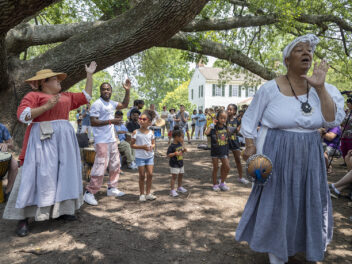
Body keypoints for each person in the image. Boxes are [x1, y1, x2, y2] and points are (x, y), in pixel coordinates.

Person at [235, 34, 345, 264]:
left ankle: (301, 245)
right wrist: (250, 146)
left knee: (308, 199)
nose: (307, 53)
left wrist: (321, 87)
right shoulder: (270, 88)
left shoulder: (325, 87)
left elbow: (332, 119)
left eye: (309, 51)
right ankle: (276, 253)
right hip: (276, 149)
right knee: (277, 201)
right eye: (299, 50)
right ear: (287, 60)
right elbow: (250, 119)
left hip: (310, 152)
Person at [3, 61, 97, 237]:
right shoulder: (34, 96)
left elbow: (86, 96)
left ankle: (62, 210)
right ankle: (23, 218)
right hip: (42, 140)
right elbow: (22, 116)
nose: (59, 81)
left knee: (64, 173)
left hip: (65, 141)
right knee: (35, 174)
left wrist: (89, 74)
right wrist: (46, 107)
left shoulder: (67, 96)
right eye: (55, 79)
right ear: (44, 82)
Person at [83, 79, 131, 206]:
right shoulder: (97, 104)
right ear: (100, 91)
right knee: (100, 166)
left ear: (111, 91)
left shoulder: (111, 103)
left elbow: (125, 105)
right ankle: (89, 192)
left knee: (115, 165)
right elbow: (93, 122)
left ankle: (112, 188)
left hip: (111, 139)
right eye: (103, 89)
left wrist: (127, 91)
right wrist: (111, 121)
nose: (106, 91)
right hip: (102, 140)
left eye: (108, 89)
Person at [131, 110, 156, 202]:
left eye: (143, 119)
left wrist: (151, 147)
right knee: (141, 175)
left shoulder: (151, 132)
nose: (141, 120)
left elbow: (153, 144)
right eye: (140, 118)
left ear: (149, 122)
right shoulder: (135, 132)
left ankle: (148, 193)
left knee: (150, 174)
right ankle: (141, 194)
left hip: (149, 156)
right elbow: (132, 145)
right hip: (140, 157)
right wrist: (142, 147)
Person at [205, 109, 230, 192]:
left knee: (227, 167)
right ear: (217, 118)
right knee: (216, 167)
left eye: (224, 118)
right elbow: (206, 133)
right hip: (215, 151)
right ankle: (215, 184)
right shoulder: (213, 127)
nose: (223, 120)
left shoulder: (226, 127)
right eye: (221, 118)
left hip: (223, 151)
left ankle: (222, 183)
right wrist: (212, 124)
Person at [227, 104, 249, 184]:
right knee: (225, 161)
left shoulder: (238, 120)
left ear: (234, 111)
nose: (228, 111)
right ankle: (222, 178)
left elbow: (238, 130)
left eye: (230, 109)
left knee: (238, 160)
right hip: (225, 142)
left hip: (235, 142)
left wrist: (235, 130)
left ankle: (240, 177)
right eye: (227, 109)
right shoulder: (224, 119)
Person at [167, 128, 188, 197]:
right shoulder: (172, 146)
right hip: (174, 163)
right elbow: (168, 154)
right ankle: (172, 190)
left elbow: (182, 150)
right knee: (174, 176)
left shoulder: (180, 144)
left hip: (180, 162)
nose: (183, 138)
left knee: (181, 175)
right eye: (181, 137)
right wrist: (175, 153)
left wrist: (184, 149)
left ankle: (179, 187)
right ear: (176, 137)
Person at [0, 123, 18, 202]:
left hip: (1, 156)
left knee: (14, 165)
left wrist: (6, 144)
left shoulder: (2, 127)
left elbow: (12, 145)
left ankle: (8, 191)